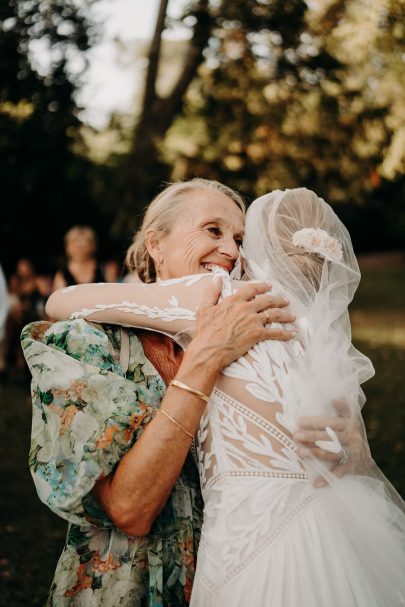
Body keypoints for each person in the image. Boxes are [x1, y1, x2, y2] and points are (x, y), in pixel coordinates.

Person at [47, 187, 405, 606]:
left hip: (247, 541)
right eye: (212, 230)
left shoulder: (215, 297)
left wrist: (353, 452)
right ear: (155, 243)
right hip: (333, 538)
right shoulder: (303, 324)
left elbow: (61, 300)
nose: (230, 251)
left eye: (239, 239)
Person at [52, 225, 106, 290]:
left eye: (83, 246)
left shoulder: (105, 270)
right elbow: (59, 298)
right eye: (75, 246)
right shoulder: (61, 275)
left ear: (93, 246)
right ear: (67, 248)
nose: (79, 250)